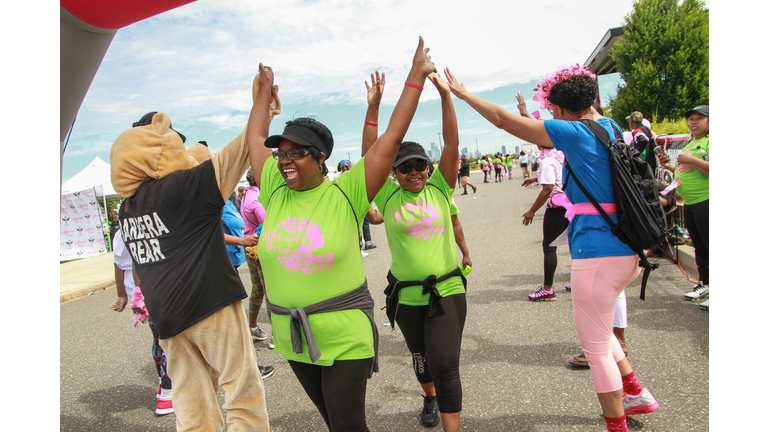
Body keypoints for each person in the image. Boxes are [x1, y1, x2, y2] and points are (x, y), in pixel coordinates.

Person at [446, 64, 658, 432]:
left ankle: (617, 425)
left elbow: (501, 120)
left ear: (563, 109)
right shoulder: (608, 126)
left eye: (553, 110)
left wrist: (463, 94)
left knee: (595, 350)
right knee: (602, 330)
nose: (551, 117)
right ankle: (636, 392)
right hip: (626, 249)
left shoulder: (573, 131)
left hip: (597, 252)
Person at [247, 39, 436, 432]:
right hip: (293, 335)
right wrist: (264, 90)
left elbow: (391, 137)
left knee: (348, 426)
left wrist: (415, 78)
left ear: (320, 159)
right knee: (335, 425)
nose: (284, 160)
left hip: (343, 332)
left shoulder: (346, 191)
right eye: (281, 153)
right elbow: (254, 136)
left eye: (297, 153)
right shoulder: (273, 188)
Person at [111, 91, 278, 430]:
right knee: (240, 388)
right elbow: (243, 148)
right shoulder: (185, 186)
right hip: (209, 302)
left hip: (166, 318)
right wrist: (264, 102)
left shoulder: (127, 208)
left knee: (191, 400)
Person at [362, 70, 466, 432]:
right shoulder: (388, 194)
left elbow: (452, 144)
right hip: (406, 295)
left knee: (446, 365)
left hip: (447, 290)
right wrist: (372, 109)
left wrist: (445, 96)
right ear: (393, 173)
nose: (414, 172)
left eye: (420, 164)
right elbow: (370, 155)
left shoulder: (440, 188)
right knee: (420, 358)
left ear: (429, 166)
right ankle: (429, 397)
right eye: (405, 167)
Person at [109, 228, 174, 416]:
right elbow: (121, 263)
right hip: (149, 295)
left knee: (174, 339)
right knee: (162, 339)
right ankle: (167, 388)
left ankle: (176, 382)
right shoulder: (125, 229)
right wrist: (125, 295)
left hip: (173, 288)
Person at [658, 105, 709, 310]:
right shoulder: (692, 142)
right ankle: (705, 284)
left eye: (699, 118)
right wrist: (668, 166)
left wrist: (691, 160)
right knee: (700, 247)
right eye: (691, 119)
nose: (693, 122)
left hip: (707, 200)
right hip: (689, 203)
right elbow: (684, 169)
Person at [521, 147, 568, 302]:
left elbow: (548, 189)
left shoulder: (547, 160)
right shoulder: (562, 155)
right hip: (571, 205)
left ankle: (548, 290)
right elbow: (559, 176)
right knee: (575, 244)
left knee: (549, 247)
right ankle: (580, 281)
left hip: (556, 208)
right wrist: (535, 179)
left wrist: (532, 210)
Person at [241, 167, 274, 348]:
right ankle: (276, 336)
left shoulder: (246, 195)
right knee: (270, 292)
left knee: (257, 290)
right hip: (260, 249)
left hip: (249, 250)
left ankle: (253, 327)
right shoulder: (257, 199)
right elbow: (268, 223)